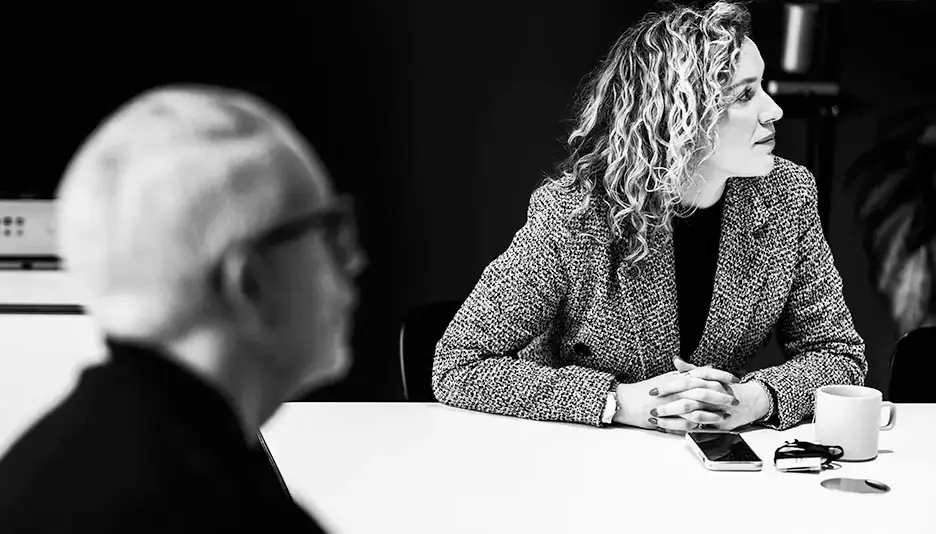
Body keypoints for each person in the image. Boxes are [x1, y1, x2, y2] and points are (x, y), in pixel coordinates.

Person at [432, 1, 866, 433]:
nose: (774, 110)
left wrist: (753, 399)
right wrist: (617, 402)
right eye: (745, 94)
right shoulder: (575, 213)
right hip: (580, 456)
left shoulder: (787, 196)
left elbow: (839, 354)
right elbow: (458, 364)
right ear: (680, 117)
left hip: (710, 457)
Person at [0, 85, 364, 532]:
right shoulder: (232, 512)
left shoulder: (54, 459)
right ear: (249, 284)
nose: (354, 261)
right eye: (328, 232)